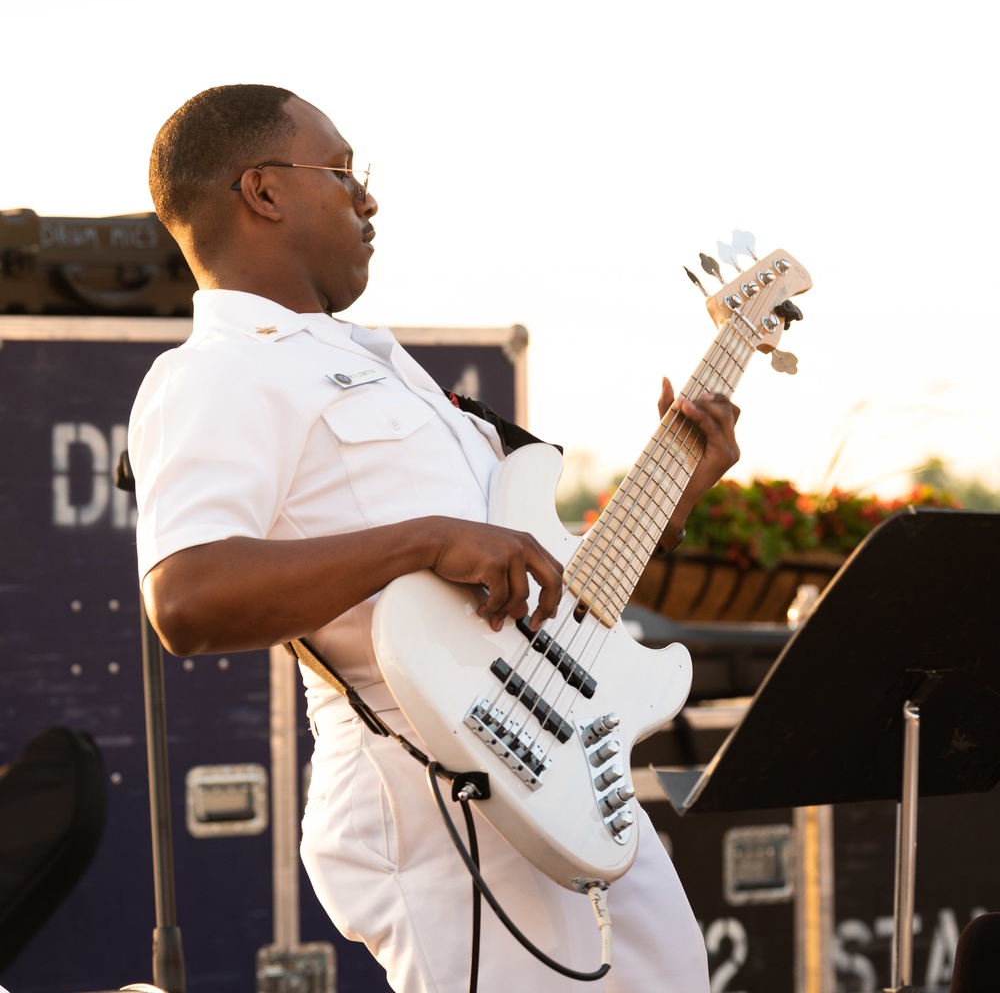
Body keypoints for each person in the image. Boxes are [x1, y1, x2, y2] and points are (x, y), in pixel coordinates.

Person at [129, 84, 741, 993]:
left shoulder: (400, 380)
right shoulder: (220, 371)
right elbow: (186, 598)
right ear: (262, 191)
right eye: (344, 174)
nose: (368, 199)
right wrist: (418, 541)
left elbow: (539, 591)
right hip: (431, 785)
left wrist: (672, 495)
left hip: (561, 766)